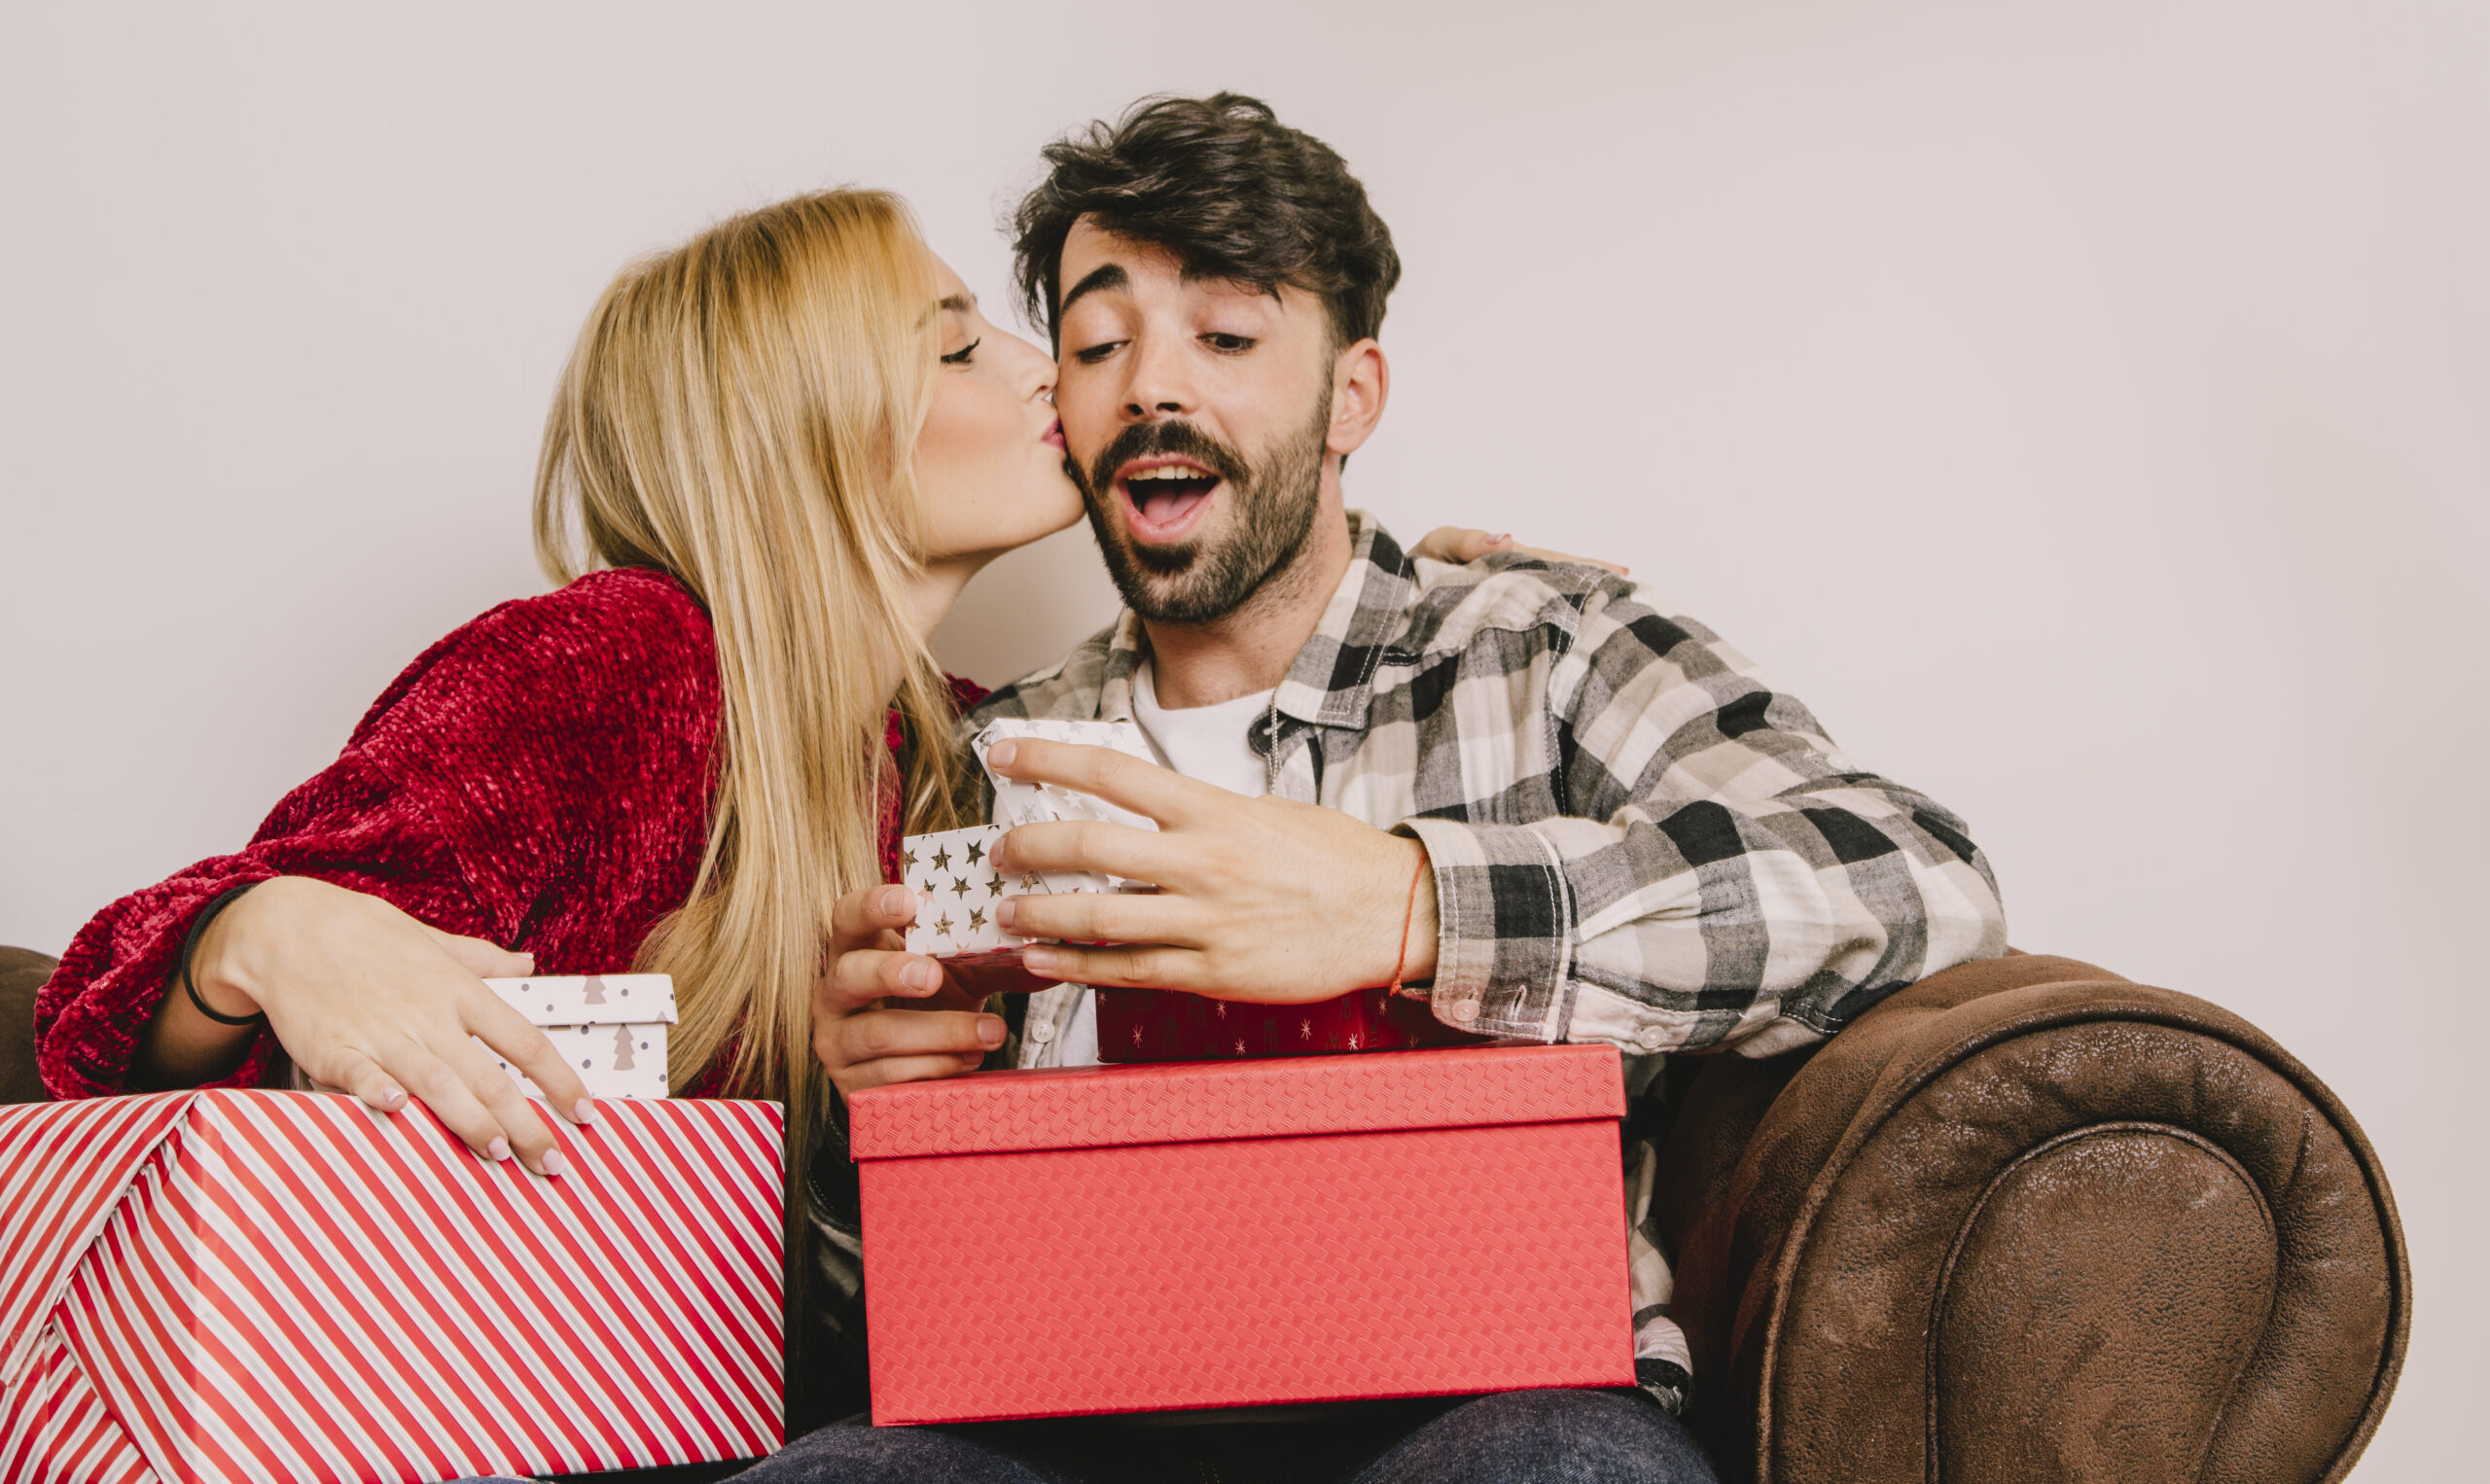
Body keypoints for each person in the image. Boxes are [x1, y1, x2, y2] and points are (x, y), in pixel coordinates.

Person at [33, 181, 1536, 1447]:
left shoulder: (965, 743)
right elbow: (98, 1016)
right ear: (803, 429)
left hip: (755, 1420)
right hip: (455, 1413)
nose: (1043, 371)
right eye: (958, 347)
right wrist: (271, 929)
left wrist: (1392, 597)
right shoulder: (618, 661)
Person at [777, 96, 2010, 1483]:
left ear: (1351, 394)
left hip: (1486, 1404)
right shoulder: (987, 754)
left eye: (1228, 338)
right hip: (1068, 1428)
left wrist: (1413, 905)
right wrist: (857, 1131)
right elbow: (875, 1323)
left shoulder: (1542, 648)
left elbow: (1915, 875)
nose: (1150, 390)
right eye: (1097, 343)